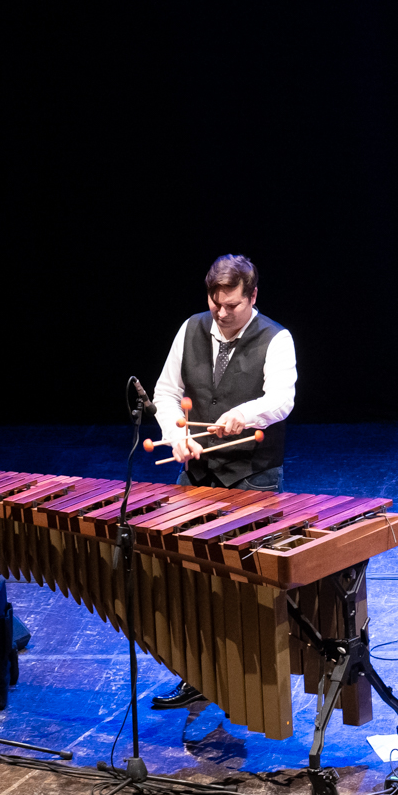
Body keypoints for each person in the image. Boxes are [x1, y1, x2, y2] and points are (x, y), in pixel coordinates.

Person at [146, 254, 297, 709]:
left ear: (252, 296)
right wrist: (176, 438)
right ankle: (197, 674)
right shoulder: (191, 328)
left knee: (246, 586)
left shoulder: (276, 338)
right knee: (190, 580)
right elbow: (166, 392)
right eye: (215, 304)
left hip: (253, 475)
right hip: (196, 471)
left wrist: (243, 414)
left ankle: (252, 684)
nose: (222, 313)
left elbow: (282, 399)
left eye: (231, 305)